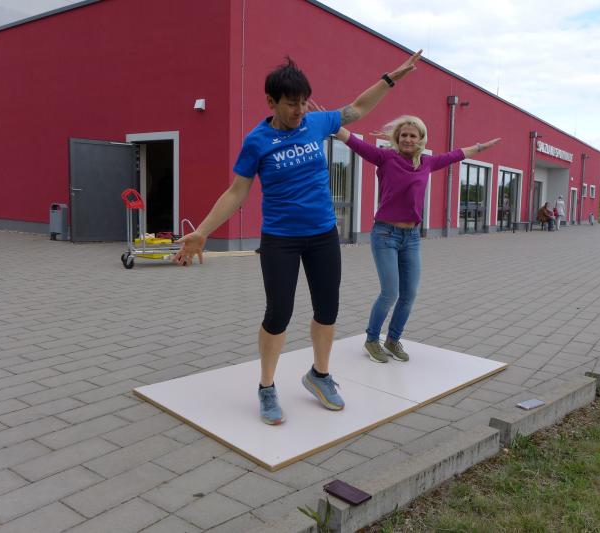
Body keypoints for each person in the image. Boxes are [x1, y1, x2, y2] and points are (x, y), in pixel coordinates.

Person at [172, 51, 422, 425]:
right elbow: (237, 191)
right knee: (278, 314)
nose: (300, 111)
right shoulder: (257, 141)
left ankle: (319, 375)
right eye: (292, 104)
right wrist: (203, 231)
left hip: (323, 235)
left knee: (327, 309)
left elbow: (356, 108)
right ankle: (266, 387)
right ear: (271, 102)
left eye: (304, 103)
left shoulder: (316, 122)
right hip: (280, 239)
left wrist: (390, 79)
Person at [332, 116, 499, 362]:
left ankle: (392, 340)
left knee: (409, 294)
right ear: (397, 138)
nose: (408, 139)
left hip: (411, 237)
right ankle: (372, 339)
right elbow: (356, 144)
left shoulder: (427, 163)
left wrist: (480, 148)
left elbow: (456, 155)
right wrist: (332, 124)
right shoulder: (385, 158)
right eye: (404, 135)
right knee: (390, 293)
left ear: (421, 139)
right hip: (385, 234)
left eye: (413, 135)